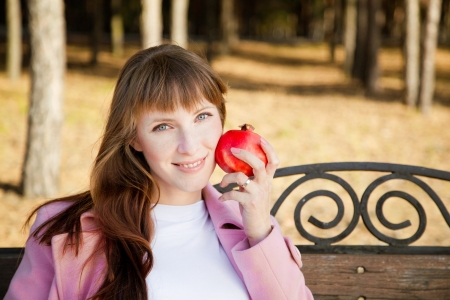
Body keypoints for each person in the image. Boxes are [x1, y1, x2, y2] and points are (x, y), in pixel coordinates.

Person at [5, 44, 313, 300]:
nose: (190, 146)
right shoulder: (67, 230)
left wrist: (259, 228)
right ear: (133, 137)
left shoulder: (250, 226)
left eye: (202, 116)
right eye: (163, 126)